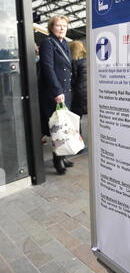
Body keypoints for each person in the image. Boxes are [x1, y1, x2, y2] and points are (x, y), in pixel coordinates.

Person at [38, 15, 73, 174]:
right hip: (55, 91)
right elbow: (48, 68)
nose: (61, 28)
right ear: (51, 27)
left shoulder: (64, 43)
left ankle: (63, 155)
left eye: (64, 26)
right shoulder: (47, 43)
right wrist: (57, 90)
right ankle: (57, 159)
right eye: (58, 25)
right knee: (56, 126)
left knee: (65, 125)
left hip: (65, 90)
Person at [70, 40, 87, 122]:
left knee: (76, 118)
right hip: (88, 93)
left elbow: (73, 80)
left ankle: (78, 134)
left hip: (78, 94)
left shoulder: (74, 63)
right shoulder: (88, 61)